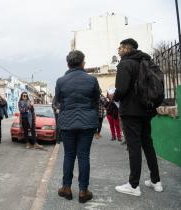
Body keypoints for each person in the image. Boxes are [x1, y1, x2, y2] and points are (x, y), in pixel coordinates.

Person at [112, 38, 163, 196]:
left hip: (131, 112)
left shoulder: (125, 63)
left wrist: (113, 96)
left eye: (120, 48)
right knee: (147, 144)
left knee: (134, 147)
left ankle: (133, 185)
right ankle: (156, 181)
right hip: (146, 110)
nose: (118, 51)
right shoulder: (147, 61)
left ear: (127, 49)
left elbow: (121, 89)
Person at [55, 50, 100, 203]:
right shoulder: (92, 79)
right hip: (87, 122)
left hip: (67, 122)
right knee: (83, 156)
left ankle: (66, 188)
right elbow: (96, 100)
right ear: (83, 63)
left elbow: (57, 102)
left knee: (68, 155)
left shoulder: (60, 81)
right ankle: (83, 191)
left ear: (68, 64)